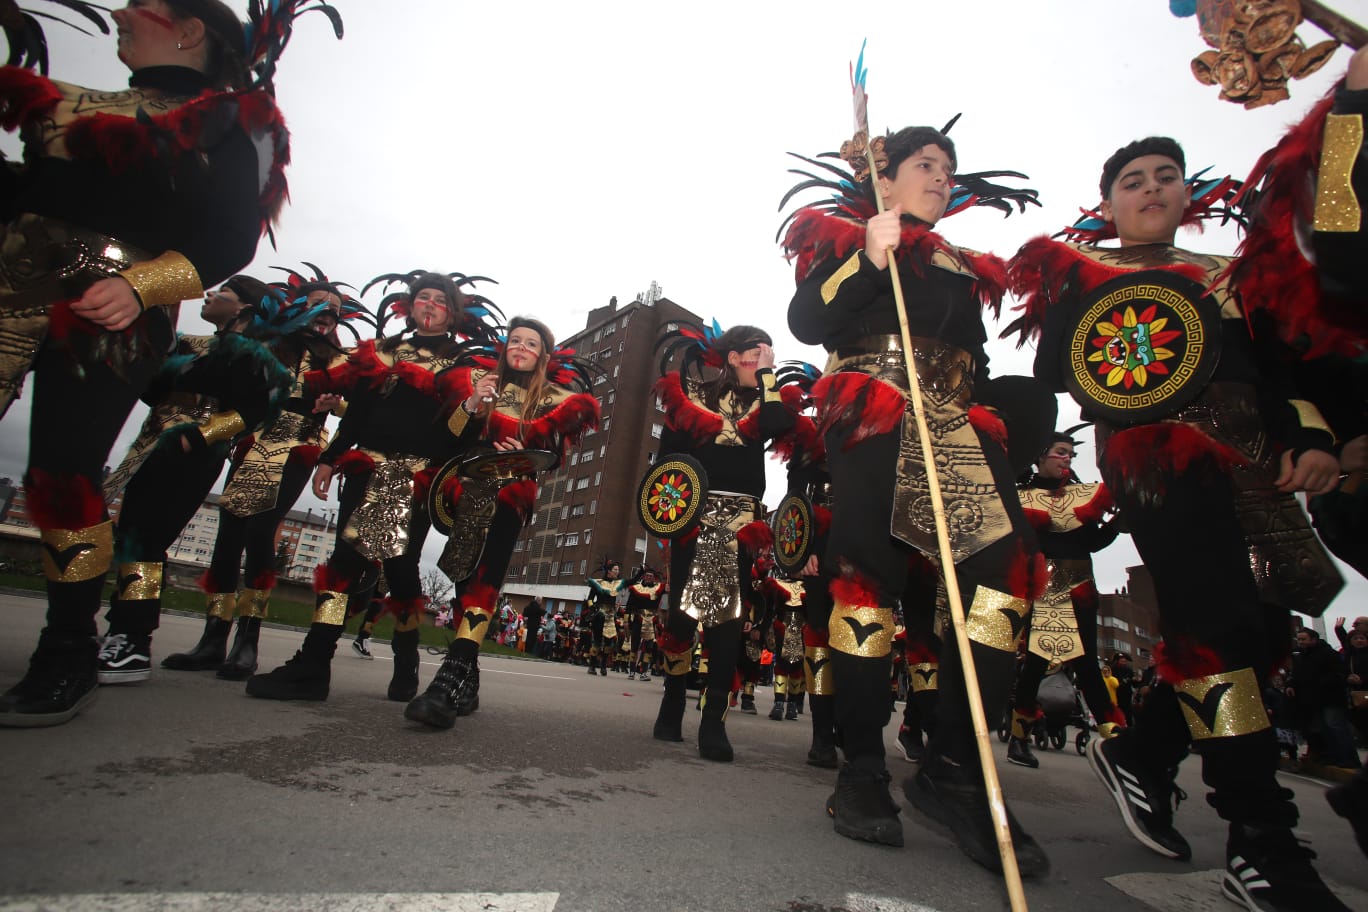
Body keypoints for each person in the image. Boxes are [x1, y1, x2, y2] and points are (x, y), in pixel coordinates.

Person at [1009, 134, 1349, 909]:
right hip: (1152, 456)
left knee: (1255, 633)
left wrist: (1311, 436)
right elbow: (1059, 374)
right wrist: (1076, 301)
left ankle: (1144, 750)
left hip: (1254, 462)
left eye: (1167, 176)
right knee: (1215, 622)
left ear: (1187, 194)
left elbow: (1278, 372)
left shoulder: (1228, 278)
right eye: (1133, 180)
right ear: (1108, 205)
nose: (1152, 188)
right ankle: (1260, 833)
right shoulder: (1085, 279)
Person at [0, 0, 306, 727]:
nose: (119, 11)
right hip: (15, 286)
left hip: (118, 315)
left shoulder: (236, 121)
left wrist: (141, 286)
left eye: (141, 5)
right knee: (125, 510)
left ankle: (81, 644)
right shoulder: (63, 106)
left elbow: (231, 239)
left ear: (190, 29)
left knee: (67, 474)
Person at [784, 121, 1049, 869]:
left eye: (948, 167)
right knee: (868, 581)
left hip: (955, 426)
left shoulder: (962, 266)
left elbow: (977, 359)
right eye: (925, 164)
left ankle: (957, 770)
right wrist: (871, 256)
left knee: (1005, 579)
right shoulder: (844, 236)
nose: (941, 175)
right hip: (872, 406)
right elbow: (808, 320)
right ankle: (862, 767)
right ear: (885, 176)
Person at [245, 271, 475, 703]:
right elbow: (358, 413)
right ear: (408, 307)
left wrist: (469, 416)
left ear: (452, 313)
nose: (428, 303)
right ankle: (314, 664)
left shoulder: (462, 364)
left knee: (401, 569)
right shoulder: (385, 352)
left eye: (438, 299)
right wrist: (331, 458)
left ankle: (406, 664)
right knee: (342, 565)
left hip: (414, 478)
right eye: (421, 297)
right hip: (364, 467)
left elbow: (457, 432)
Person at [96, 276, 296, 683]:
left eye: (223, 293)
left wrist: (200, 436)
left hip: (192, 455)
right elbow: (151, 389)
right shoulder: (188, 344)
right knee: (130, 535)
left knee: (146, 540)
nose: (210, 295)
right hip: (149, 449)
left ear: (243, 308)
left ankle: (131, 638)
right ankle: (118, 629)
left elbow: (260, 407)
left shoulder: (254, 356)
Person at [404, 316, 598, 730]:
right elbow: (446, 440)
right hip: (464, 489)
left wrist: (523, 451)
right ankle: (468, 682)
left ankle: (449, 679)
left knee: (485, 579)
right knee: (460, 575)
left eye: (531, 343)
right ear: (505, 347)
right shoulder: (479, 382)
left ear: (543, 354)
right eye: (516, 341)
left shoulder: (554, 399)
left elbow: (554, 457)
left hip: (510, 492)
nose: (522, 347)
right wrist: (473, 404)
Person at [161, 269, 350, 679]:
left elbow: (359, 414)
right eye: (318, 304)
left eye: (333, 310)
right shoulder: (270, 342)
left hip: (299, 446)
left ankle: (248, 640)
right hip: (252, 440)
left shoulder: (341, 361)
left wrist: (335, 404)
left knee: (262, 531)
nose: (326, 313)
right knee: (227, 535)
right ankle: (213, 638)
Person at [649, 322, 796, 763]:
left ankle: (714, 719)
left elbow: (776, 424)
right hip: (693, 511)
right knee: (682, 613)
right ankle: (672, 698)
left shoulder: (769, 400)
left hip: (743, 520)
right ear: (733, 357)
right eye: (759, 354)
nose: (767, 360)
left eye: (772, 355)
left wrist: (768, 375)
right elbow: (668, 459)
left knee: (730, 616)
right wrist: (666, 514)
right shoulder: (691, 395)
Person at [1005, 431, 1123, 769]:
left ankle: (1116, 740)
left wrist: (1117, 524)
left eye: (1070, 453)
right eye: (1060, 452)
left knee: (1086, 662)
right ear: (1041, 456)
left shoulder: (1082, 495)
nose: (1066, 458)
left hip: (1081, 586)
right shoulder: (1020, 496)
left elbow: (1094, 542)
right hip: (1046, 586)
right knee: (1038, 662)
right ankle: (1019, 736)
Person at [1288, 627, 1357, 769]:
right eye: (1299, 639)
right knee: (1324, 729)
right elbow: (1296, 675)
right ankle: (1332, 756)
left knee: (1336, 727)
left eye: (1303, 639)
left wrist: (1318, 683)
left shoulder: (1327, 653)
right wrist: (1291, 684)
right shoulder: (1301, 656)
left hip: (1330, 698)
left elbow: (1337, 674)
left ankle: (1348, 758)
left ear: (1313, 639)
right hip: (1312, 700)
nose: (1300, 642)